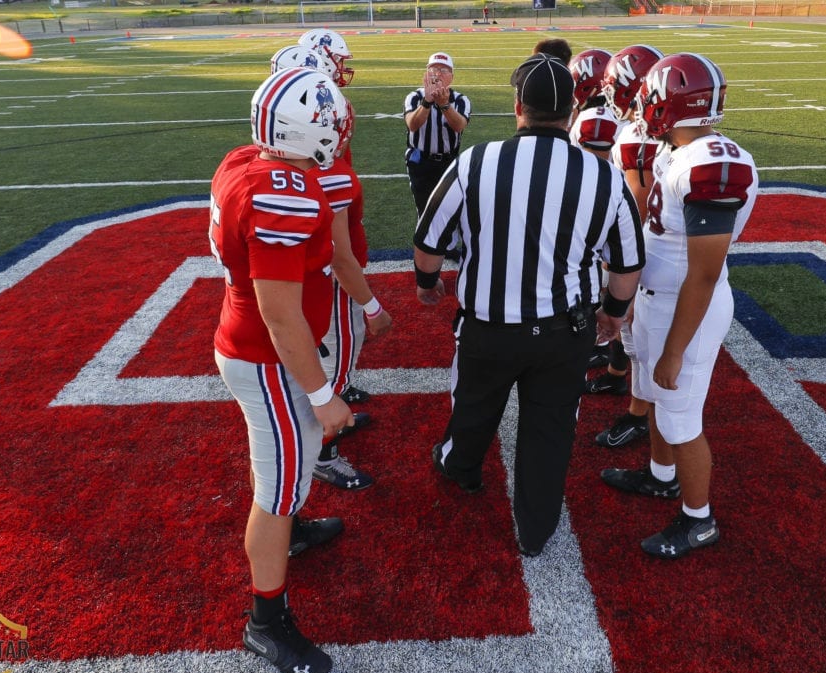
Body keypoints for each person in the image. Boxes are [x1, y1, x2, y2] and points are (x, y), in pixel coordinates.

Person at [413, 54, 644, 558]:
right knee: (550, 429)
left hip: (489, 326)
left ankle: (461, 469)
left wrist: (427, 284)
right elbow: (627, 262)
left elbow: (428, 239)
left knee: (474, 404)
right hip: (566, 333)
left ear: (518, 107)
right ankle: (535, 529)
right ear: (573, 109)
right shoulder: (602, 176)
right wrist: (614, 313)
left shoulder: (475, 161)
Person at [209, 67, 354, 673]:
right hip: (267, 359)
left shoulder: (247, 159)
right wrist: (323, 395)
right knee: (279, 485)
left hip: (255, 347)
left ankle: (289, 531)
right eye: (330, 117)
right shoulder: (283, 192)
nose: (339, 125)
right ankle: (265, 622)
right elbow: (279, 313)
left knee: (277, 466)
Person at [601, 53, 759, 560]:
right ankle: (661, 477)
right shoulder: (680, 150)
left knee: (680, 419)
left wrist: (675, 349)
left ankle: (699, 519)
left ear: (670, 102)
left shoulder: (713, 163)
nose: (643, 104)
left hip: (684, 309)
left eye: (651, 95)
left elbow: (705, 273)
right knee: (652, 396)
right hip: (656, 299)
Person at [270, 39, 388, 492]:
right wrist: (372, 304)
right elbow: (337, 251)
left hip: (307, 274)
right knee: (336, 351)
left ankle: (328, 402)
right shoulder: (325, 171)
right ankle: (324, 452)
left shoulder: (267, 160)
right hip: (324, 276)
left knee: (325, 350)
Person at [584, 45, 664, 449]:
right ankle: (636, 403)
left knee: (642, 341)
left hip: (650, 256)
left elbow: (637, 210)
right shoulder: (647, 130)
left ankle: (641, 415)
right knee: (638, 341)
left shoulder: (638, 136)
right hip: (656, 253)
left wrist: (623, 274)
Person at [403, 52, 471, 226]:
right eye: (434, 69)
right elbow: (412, 124)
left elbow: (459, 126)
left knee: (450, 209)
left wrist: (444, 105)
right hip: (421, 162)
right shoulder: (415, 97)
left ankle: (448, 249)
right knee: (424, 209)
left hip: (448, 162)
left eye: (443, 70)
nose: (438, 74)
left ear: (451, 77)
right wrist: (427, 101)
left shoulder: (461, 100)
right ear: (426, 74)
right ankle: (424, 251)